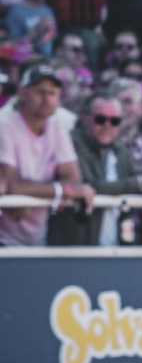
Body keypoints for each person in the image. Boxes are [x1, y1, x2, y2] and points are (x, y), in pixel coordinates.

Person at [53, 92, 142, 245]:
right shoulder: (70, 142)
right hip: (74, 248)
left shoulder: (118, 148)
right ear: (84, 118)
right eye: (100, 119)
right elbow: (86, 186)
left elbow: (139, 178)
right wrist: (141, 183)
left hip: (113, 247)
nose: (107, 126)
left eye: (114, 121)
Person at [0, 63, 88, 247]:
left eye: (52, 92)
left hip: (37, 239)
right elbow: (11, 185)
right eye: (40, 91)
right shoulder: (5, 123)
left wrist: (29, 194)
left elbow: (74, 179)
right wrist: (61, 191)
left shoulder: (57, 126)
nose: (46, 98)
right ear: (23, 93)